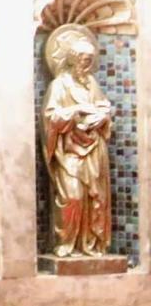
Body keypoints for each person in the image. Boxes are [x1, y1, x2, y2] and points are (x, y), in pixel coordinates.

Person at [42, 26, 114, 259]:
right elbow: (51, 117)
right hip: (70, 150)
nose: (86, 65)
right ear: (73, 60)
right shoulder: (59, 85)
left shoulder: (92, 84)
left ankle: (91, 242)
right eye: (83, 60)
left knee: (97, 197)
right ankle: (67, 242)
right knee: (72, 196)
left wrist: (102, 116)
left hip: (94, 149)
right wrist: (76, 111)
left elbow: (104, 106)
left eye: (90, 61)